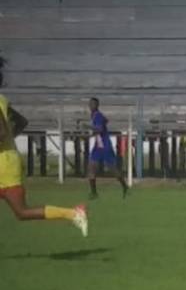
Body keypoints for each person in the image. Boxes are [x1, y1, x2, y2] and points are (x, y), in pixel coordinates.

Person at [0, 55, 87, 236]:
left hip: (4, 166)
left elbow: (1, 132)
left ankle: (73, 213)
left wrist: (7, 142)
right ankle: (72, 213)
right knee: (21, 213)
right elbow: (20, 122)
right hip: (8, 159)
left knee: (22, 212)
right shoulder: (2, 100)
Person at [87, 97, 129, 199]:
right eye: (90, 104)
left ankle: (125, 187)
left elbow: (100, 129)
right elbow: (104, 123)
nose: (90, 106)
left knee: (112, 169)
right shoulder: (94, 115)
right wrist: (93, 134)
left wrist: (88, 127)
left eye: (93, 104)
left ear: (97, 105)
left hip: (105, 146)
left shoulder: (98, 116)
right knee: (91, 168)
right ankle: (94, 193)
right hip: (98, 146)